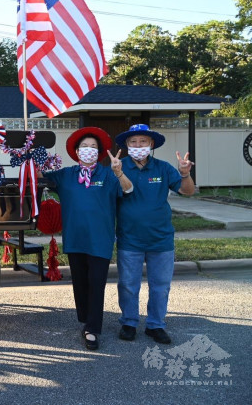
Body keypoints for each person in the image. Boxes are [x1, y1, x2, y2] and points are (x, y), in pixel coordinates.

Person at [41, 127, 131, 350]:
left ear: (99, 152)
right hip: (75, 238)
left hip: (100, 239)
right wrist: (30, 157)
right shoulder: (67, 175)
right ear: (77, 151)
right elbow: (41, 177)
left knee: (96, 283)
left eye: (93, 147)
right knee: (80, 283)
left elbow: (128, 190)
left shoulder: (108, 174)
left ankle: (92, 328)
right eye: (84, 147)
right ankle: (85, 319)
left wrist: (119, 172)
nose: (88, 150)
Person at [115, 124, 196, 345]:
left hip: (161, 239)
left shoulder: (164, 168)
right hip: (129, 238)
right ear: (127, 145)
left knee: (160, 286)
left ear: (151, 144)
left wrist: (185, 174)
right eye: (133, 142)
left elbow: (187, 191)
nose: (138, 145)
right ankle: (129, 322)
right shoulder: (117, 168)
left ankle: (155, 325)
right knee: (128, 285)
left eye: (143, 141)